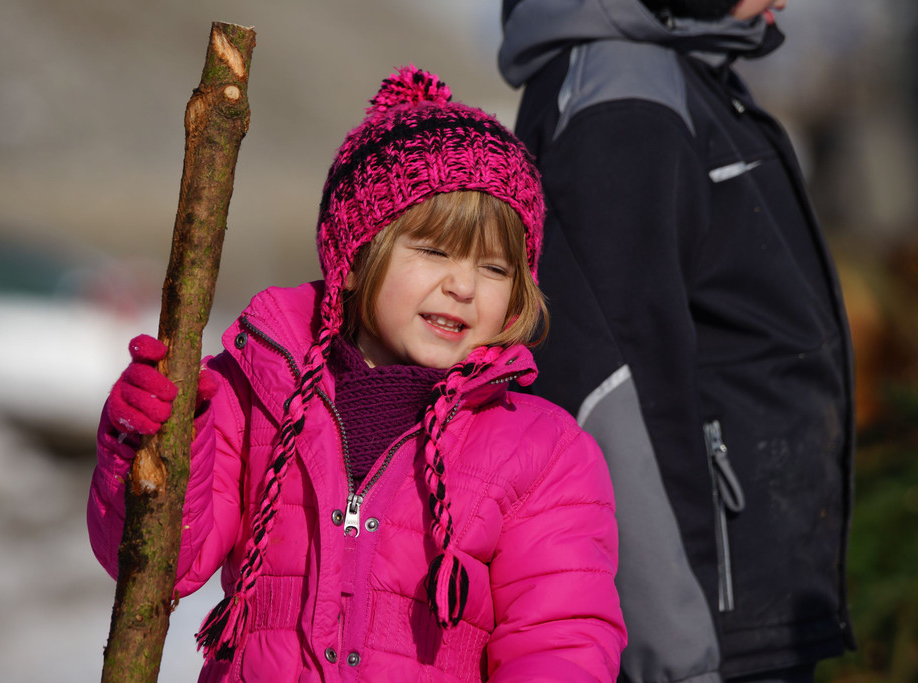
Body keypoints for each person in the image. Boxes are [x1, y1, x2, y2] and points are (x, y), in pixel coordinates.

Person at [87, 65, 627, 682]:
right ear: (354, 255)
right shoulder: (254, 391)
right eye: (434, 251)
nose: (463, 286)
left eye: (495, 268)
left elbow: (561, 642)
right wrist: (145, 443)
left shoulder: (543, 451)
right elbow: (163, 564)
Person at [498, 1, 855, 682]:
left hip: (737, 595)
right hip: (702, 620)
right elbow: (606, 392)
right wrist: (677, 658)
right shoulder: (624, 93)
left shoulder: (679, 73)